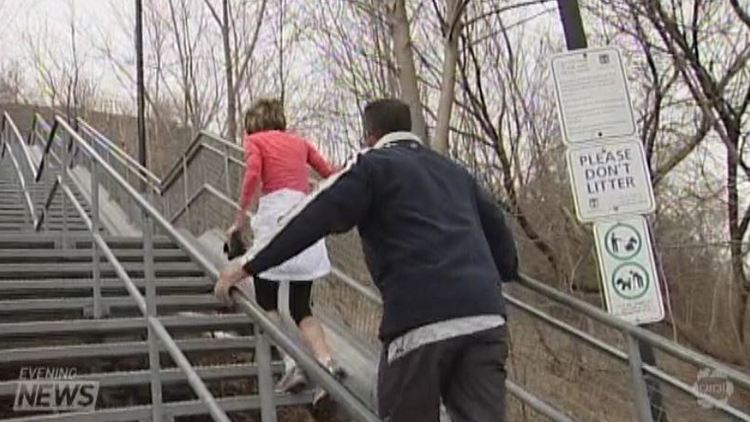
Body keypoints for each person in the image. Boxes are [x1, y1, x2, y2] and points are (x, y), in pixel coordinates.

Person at [216, 98, 519, 422]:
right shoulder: (455, 171)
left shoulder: (371, 166)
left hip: (421, 321)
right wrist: (498, 273)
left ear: (369, 135)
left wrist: (245, 265)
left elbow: (310, 217)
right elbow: (502, 243)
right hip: (486, 317)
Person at [226, 98, 343, 396]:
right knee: (301, 308)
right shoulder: (300, 142)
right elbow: (330, 173)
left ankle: (291, 365)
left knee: (267, 303)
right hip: (306, 222)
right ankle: (328, 363)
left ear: (253, 123)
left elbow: (252, 174)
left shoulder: (255, 141)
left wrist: (239, 219)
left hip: (275, 223)